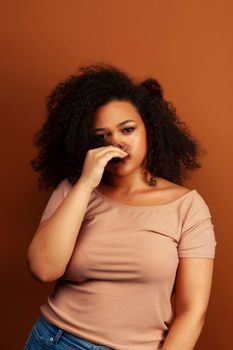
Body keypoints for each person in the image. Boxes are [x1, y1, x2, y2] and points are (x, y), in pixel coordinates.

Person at [24, 62, 217, 350]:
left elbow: (192, 312)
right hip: (55, 340)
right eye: (102, 136)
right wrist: (87, 183)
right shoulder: (74, 190)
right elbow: (43, 269)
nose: (117, 143)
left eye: (127, 130)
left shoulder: (187, 207)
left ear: (149, 129)